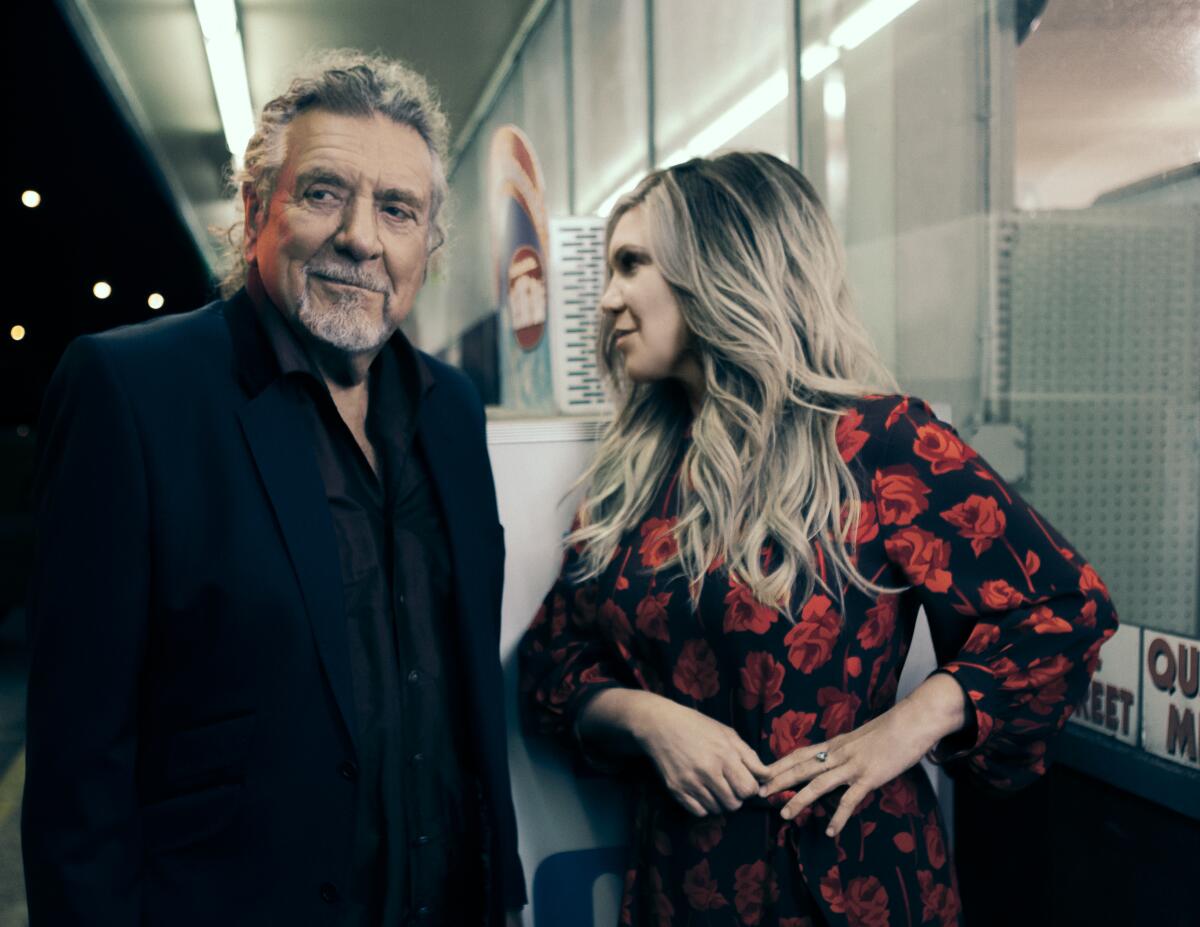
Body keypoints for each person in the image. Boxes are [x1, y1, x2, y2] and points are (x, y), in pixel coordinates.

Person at [518, 152, 1116, 926]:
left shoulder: (878, 443)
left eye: (632, 264)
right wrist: (643, 716)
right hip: (686, 888)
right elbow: (550, 660)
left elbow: (1064, 608)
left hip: (854, 880)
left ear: (720, 266)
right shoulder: (638, 474)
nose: (607, 299)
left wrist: (904, 726)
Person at [24, 51, 525, 926]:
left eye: (397, 209)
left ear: (427, 245)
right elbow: (78, 764)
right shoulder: (133, 392)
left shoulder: (451, 411)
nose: (362, 237)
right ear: (256, 208)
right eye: (325, 192)